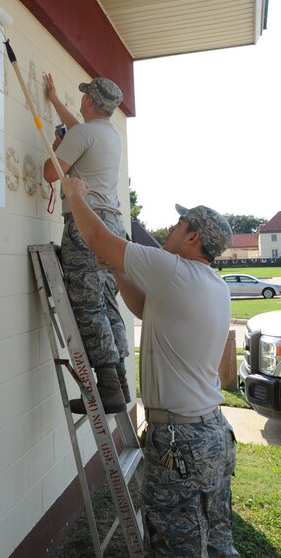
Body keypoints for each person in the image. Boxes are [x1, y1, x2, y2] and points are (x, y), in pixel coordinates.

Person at [60, 174, 240, 558]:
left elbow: (95, 236)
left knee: (176, 544)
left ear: (193, 238)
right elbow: (146, 309)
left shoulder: (172, 270)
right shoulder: (210, 283)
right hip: (210, 434)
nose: (171, 228)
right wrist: (117, 270)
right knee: (216, 535)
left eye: (178, 224)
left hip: (182, 440)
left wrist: (75, 195)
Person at [43, 74, 130, 414]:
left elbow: (52, 173)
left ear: (91, 101)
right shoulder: (109, 134)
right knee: (106, 301)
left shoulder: (81, 135)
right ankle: (119, 384)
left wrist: (56, 144)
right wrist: (54, 100)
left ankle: (107, 389)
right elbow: (79, 129)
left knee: (86, 302)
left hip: (85, 224)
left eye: (85, 96)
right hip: (112, 226)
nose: (81, 99)